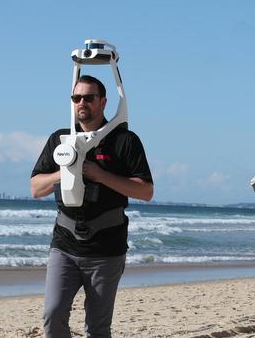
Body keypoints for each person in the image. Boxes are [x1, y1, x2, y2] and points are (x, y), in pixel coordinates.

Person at [31, 75, 154, 338]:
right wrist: (64, 171)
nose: (82, 102)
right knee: (53, 316)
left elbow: (145, 191)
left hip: (106, 250)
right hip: (64, 244)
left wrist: (100, 175)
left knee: (97, 329)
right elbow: (36, 188)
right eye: (77, 98)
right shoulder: (60, 139)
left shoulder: (124, 141)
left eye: (89, 97)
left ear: (103, 102)